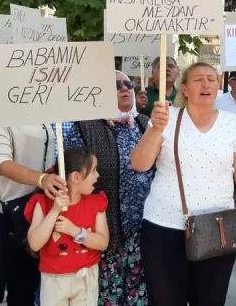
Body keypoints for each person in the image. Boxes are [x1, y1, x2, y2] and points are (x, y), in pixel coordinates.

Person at [130, 62, 236, 306]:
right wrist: (154, 130)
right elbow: (140, 164)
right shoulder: (166, 118)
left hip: (218, 229)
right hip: (164, 227)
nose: (206, 84)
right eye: (198, 79)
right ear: (184, 88)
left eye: (211, 79)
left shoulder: (232, 124)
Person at [0, 74, 62, 306]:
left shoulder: (44, 113)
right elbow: (1, 164)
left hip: (33, 217)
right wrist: (42, 179)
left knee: (24, 293)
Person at [65, 71, 155, 305]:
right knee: (108, 297)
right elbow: (73, 174)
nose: (125, 88)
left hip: (143, 232)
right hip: (105, 233)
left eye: (128, 84)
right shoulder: (86, 127)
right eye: (116, 85)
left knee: (140, 296)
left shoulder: (145, 124)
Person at [25, 148, 109, 306]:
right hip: (54, 280)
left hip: (86, 277)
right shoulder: (43, 202)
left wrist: (76, 231)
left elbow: (103, 242)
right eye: (93, 170)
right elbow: (34, 244)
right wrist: (54, 211)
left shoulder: (96, 203)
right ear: (76, 177)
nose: (97, 175)